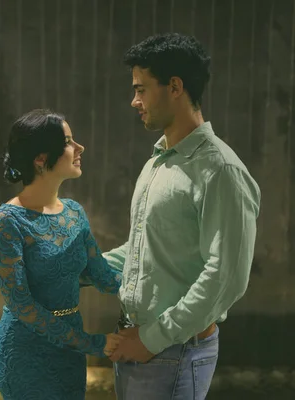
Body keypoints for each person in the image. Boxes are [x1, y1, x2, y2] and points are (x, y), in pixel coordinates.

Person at [103, 33, 261, 400]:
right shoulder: (160, 160)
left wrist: (152, 338)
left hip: (172, 352)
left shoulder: (220, 170)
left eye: (141, 89)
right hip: (140, 346)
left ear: (175, 86)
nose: (134, 101)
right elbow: (147, 248)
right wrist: (82, 269)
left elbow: (226, 276)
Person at [0, 109, 123, 400]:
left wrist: (161, 282)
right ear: (40, 158)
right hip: (25, 353)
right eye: (68, 141)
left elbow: (104, 277)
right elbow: (22, 306)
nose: (79, 148)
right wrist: (94, 343)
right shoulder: (7, 221)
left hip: (71, 352)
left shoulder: (74, 213)